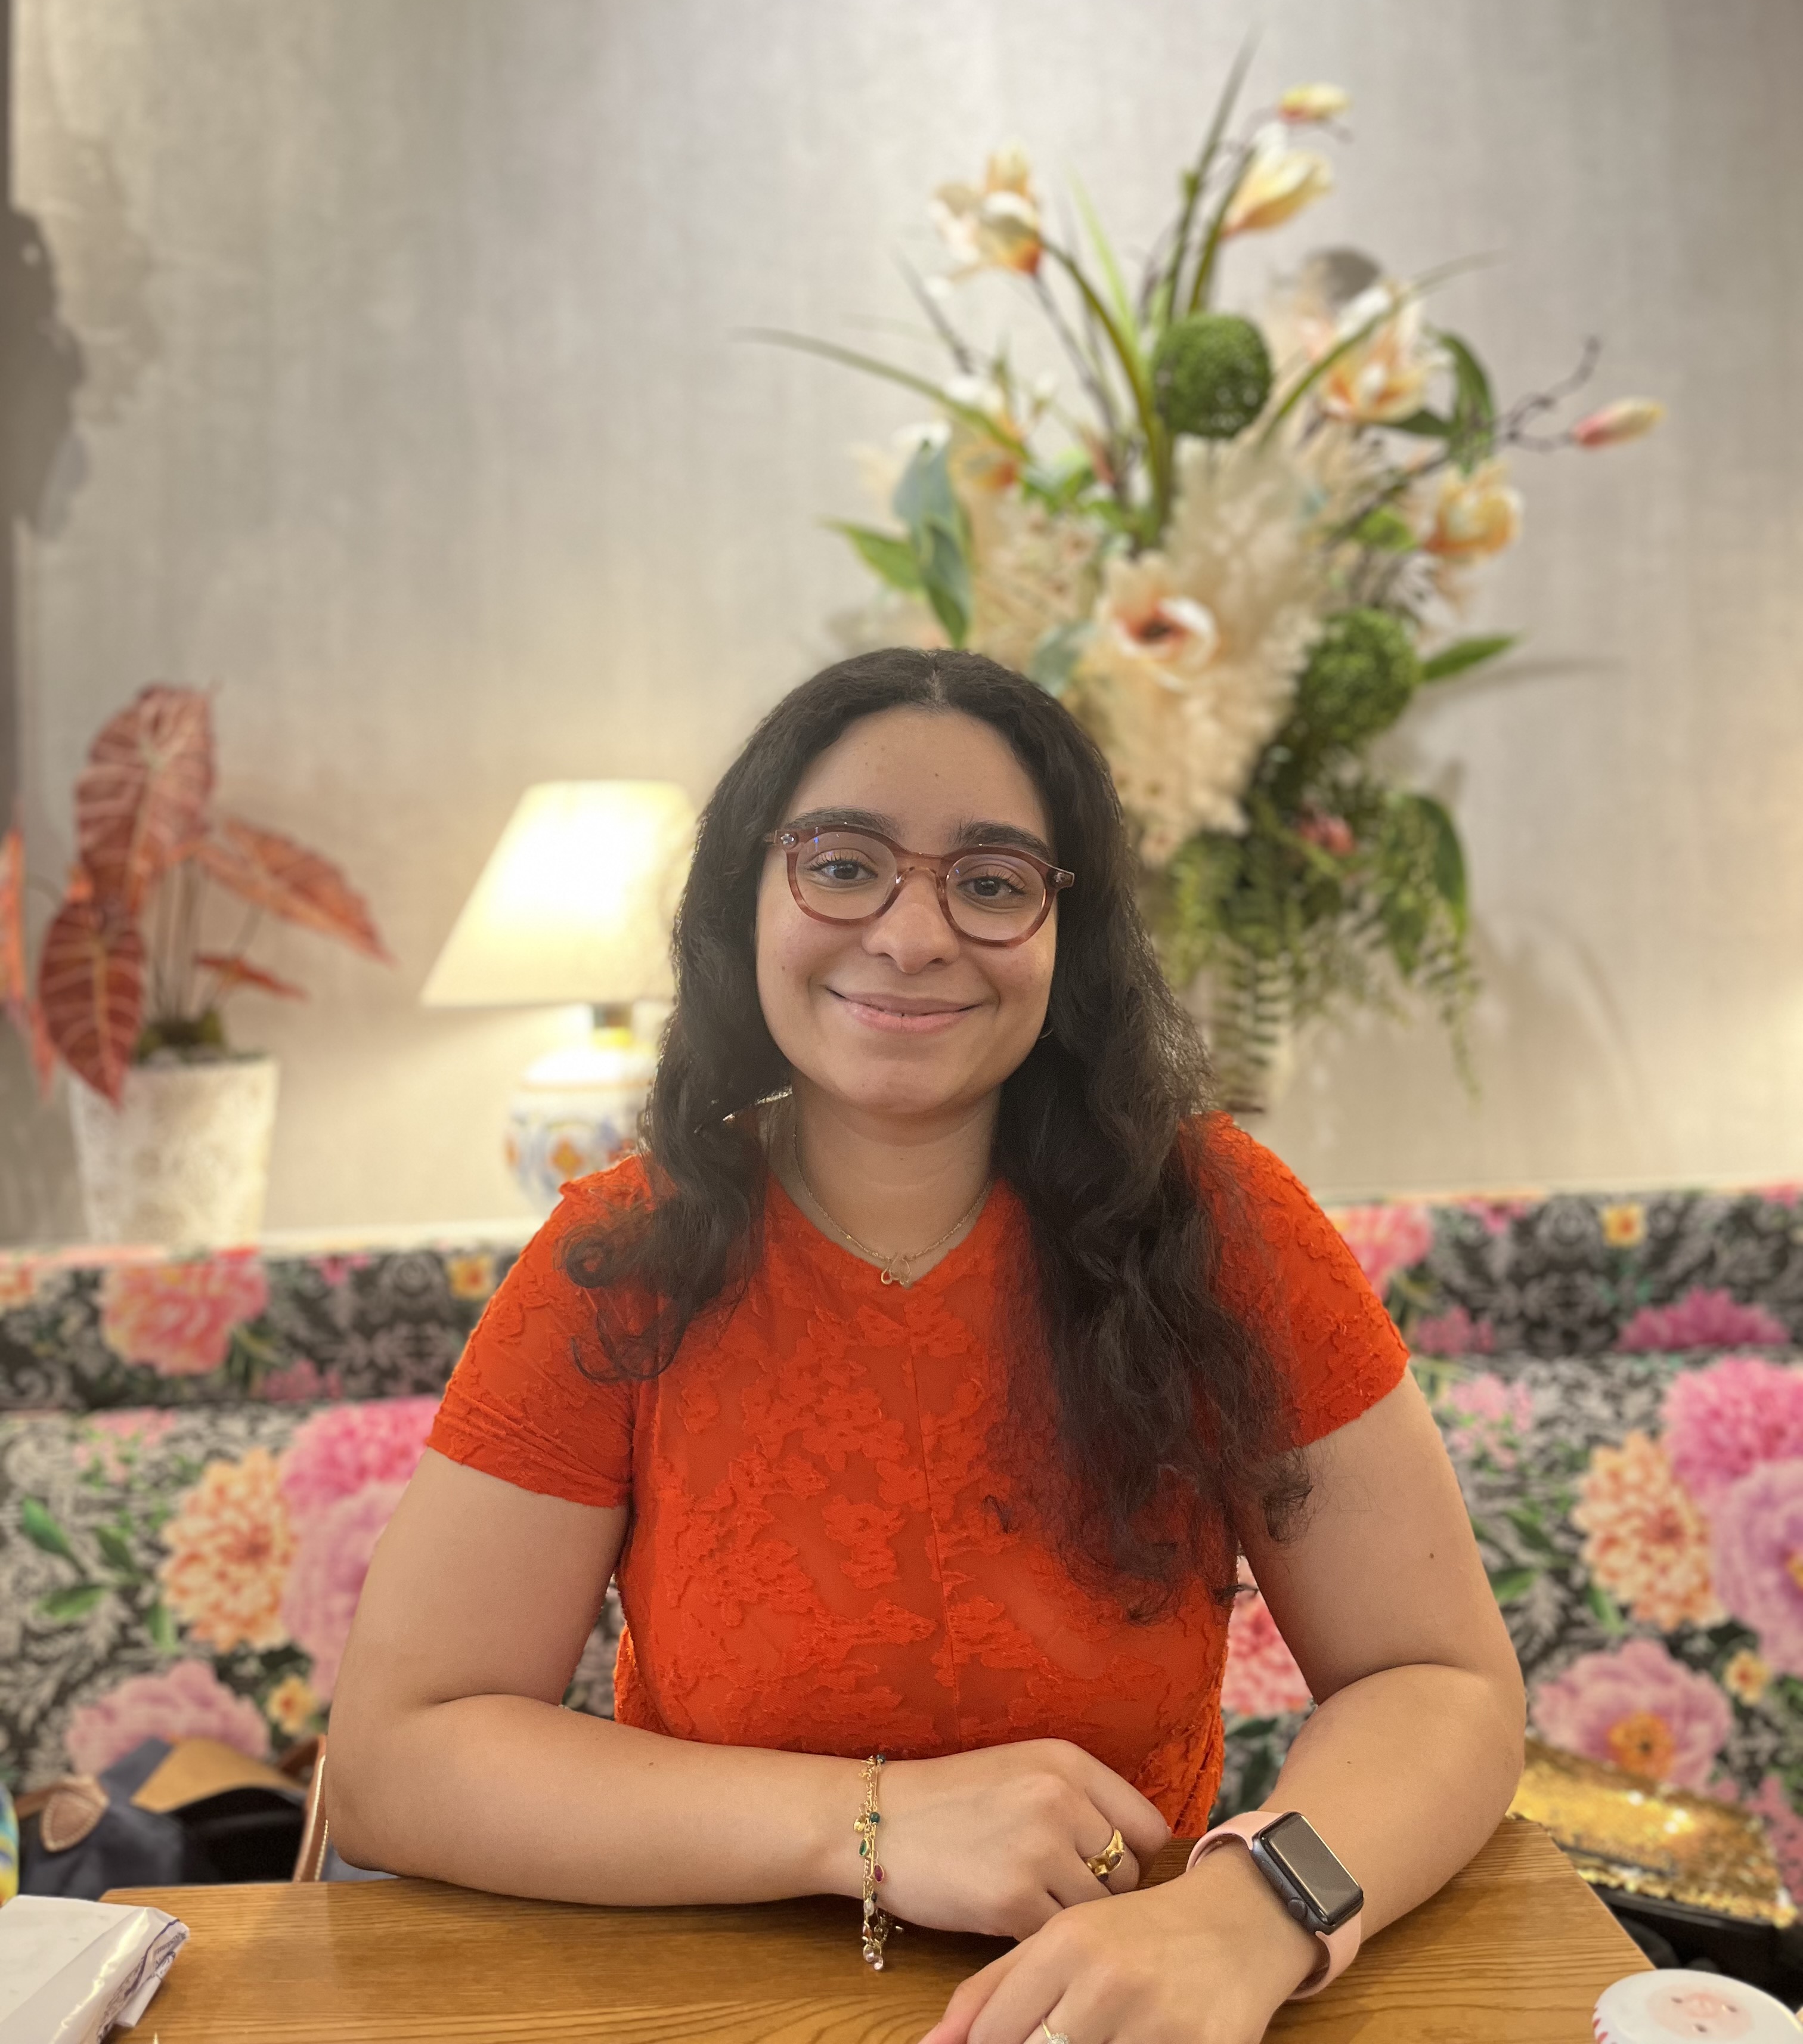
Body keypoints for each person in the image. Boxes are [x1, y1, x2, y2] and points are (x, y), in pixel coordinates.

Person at [328, 648, 1524, 2044]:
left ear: (1069, 934)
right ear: (747, 895)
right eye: (843, 866)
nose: (911, 935)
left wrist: (1251, 1913)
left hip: (1117, 2009)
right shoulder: (624, 1260)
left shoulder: (1222, 1225)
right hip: (699, 2005)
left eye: (992, 882)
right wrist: (869, 1823)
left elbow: (1439, 1683)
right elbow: (395, 1761)